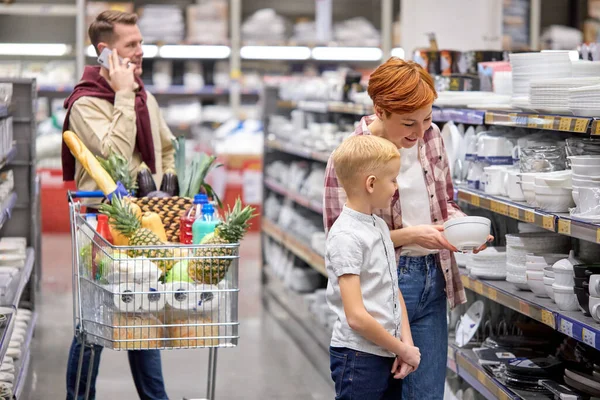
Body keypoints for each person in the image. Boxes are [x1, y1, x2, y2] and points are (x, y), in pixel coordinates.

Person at [323, 57, 492, 400]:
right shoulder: (350, 159)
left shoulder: (431, 140)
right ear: (380, 111)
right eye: (409, 123)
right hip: (384, 281)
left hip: (433, 276)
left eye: (428, 118)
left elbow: (446, 202)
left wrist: (459, 228)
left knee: (427, 394)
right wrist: (413, 235)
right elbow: (339, 239)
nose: (419, 132)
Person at [61, 10, 174, 400]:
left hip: (143, 224)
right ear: (107, 52)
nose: (141, 51)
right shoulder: (85, 104)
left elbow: (166, 148)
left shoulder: (146, 97)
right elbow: (116, 155)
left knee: (143, 311)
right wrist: (124, 94)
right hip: (99, 228)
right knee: (93, 323)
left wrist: (165, 197)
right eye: (132, 45)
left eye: (141, 42)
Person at [326, 135, 421, 400]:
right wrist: (401, 349)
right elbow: (356, 317)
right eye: (392, 179)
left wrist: (405, 345)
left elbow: (392, 289)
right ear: (371, 183)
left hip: (386, 352)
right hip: (359, 357)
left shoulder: (378, 226)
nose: (395, 187)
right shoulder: (346, 236)